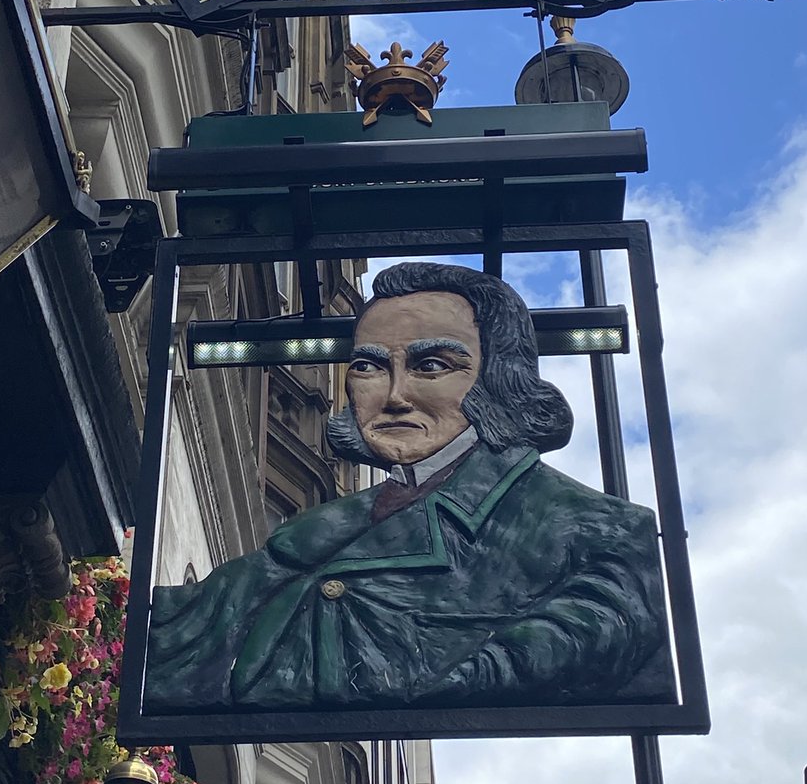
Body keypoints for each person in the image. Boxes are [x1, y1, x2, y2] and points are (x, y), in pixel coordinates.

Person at [144, 262, 675, 713]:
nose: (395, 395)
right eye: (370, 367)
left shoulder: (593, 532)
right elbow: (175, 638)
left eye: (432, 366)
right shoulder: (316, 529)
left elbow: (531, 657)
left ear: (496, 377)